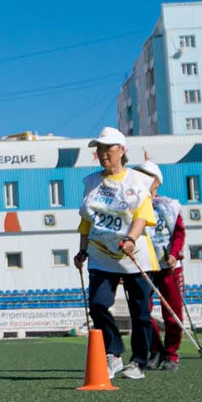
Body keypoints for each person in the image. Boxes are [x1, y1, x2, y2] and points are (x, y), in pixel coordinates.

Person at [73, 127, 159, 380]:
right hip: (101, 253)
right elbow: (87, 221)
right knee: (98, 305)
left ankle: (139, 362)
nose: (102, 153)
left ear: (121, 150)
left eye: (107, 148)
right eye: (98, 149)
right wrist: (82, 250)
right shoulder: (91, 182)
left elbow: (143, 216)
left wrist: (131, 238)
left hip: (135, 255)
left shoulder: (137, 181)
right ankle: (113, 353)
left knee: (140, 312)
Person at [135, 160, 187, 369]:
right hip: (144, 268)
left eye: (146, 177)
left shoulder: (169, 206)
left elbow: (179, 234)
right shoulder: (133, 206)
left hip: (168, 267)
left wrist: (174, 255)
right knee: (142, 312)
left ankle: (172, 353)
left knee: (172, 313)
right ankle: (155, 349)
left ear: (156, 181)